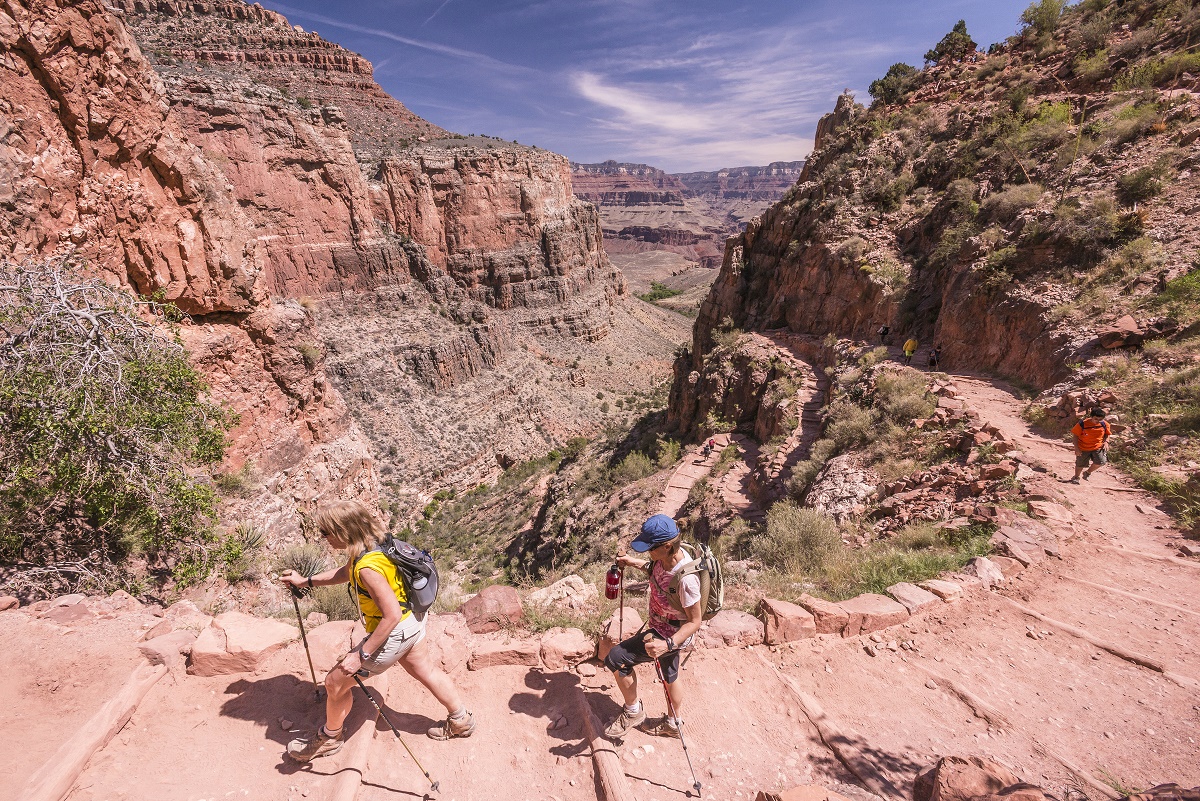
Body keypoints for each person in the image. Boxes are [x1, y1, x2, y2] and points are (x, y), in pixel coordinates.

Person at [279, 500, 475, 762]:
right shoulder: (373, 545)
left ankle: (330, 737)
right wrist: (306, 582)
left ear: (341, 530)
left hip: (395, 630)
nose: (323, 538)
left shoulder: (368, 568)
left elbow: (390, 615)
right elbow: (347, 572)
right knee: (424, 669)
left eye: (326, 532)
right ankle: (461, 720)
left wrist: (359, 655)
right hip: (414, 621)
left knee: (334, 683)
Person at [602, 514, 704, 740]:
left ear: (667, 545)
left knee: (616, 658)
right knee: (670, 675)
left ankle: (633, 712)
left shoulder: (686, 580)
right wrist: (630, 562)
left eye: (650, 548)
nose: (648, 552)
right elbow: (653, 569)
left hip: (669, 635)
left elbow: (695, 621)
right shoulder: (665, 558)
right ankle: (672, 723)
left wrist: (666, 644)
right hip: (661, 628)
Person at [1071, 407, 1112, 484]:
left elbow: (1107, 434)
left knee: (1101, 461)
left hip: (1097, 447)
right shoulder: (1082, 424)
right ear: (1091, 417)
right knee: (1080, 464)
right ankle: (1076, 477)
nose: (1098, 421)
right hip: (1083, 447)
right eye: (1096, 419)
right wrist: (1076, 448)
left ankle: (1088, 472)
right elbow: (1075, 436)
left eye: (1100, 419)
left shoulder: (1105, 424)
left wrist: (1106, 442)